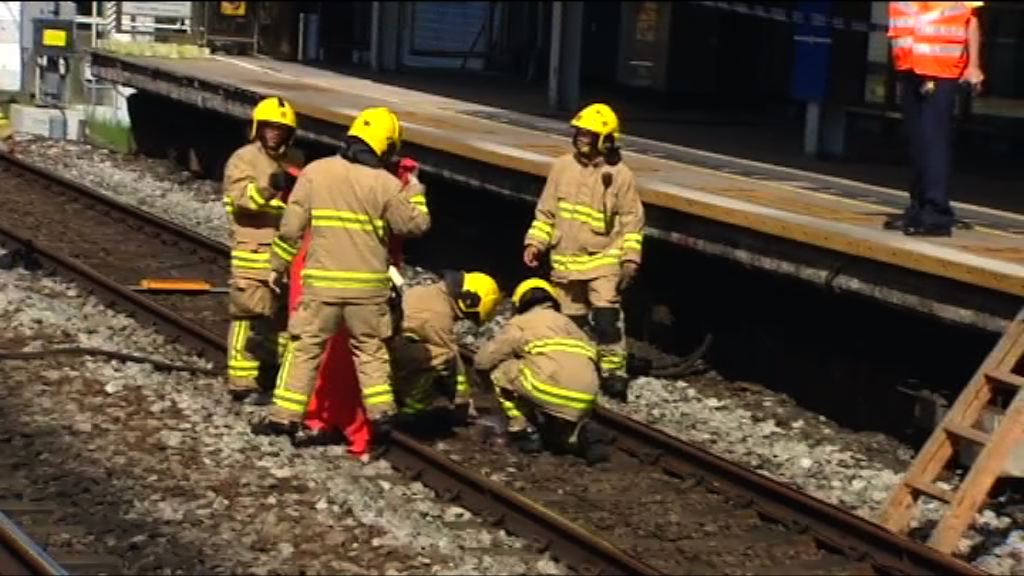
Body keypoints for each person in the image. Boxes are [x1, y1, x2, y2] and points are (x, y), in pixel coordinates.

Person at [252, 106, 430, 454]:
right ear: (385, 146)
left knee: (305, 349)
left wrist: (276, 266)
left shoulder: (316, 172)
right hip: (367, 291)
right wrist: (417, 194)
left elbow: (291, 230)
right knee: (370, 351)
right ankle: (381, 419)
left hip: (322, 287)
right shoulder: (387, 184)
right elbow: (414, 226)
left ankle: (284, 417)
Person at [522, 103, 645, 401]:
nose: (581, 139)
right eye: (579, 133)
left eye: (588, 134)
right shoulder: (562, 167)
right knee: (570, 321)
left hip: (604, 261)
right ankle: (575, 368)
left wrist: (630, 259)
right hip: (566, 262)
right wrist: (535, 243)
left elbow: (632, 221)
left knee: (606, 319)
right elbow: (546, 213)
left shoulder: (621, 175)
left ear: (605, 139)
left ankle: (614, 373)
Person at [473, 278, 614, 464]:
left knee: (501, 371)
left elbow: (484, 360)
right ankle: (581, 436)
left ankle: (525, 431)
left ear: (520, 302)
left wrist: (480, 377)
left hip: (549, 388)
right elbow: (594, 356)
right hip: (587, 394)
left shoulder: (520, 322)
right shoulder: (570, 325)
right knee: (562, 414)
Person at [222, 96, 304, 403]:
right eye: (269, 127)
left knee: (281, 319)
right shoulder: (243, 159)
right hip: (253, 250)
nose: (274, 133)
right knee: (249, 314)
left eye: (281, 129)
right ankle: (241, 379)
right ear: (258, 127)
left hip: (286, 252)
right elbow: (242, 202)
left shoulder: (295, 158)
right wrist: (271, 187)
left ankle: (271, 372)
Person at [885, 1, 985, 237]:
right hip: (909, 68)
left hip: (941, 70)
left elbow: (971, 20)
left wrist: (974, 66)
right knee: (916, 140)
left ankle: (937, 214)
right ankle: (918, 208)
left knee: (934, 140)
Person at [390, 270, 502, 427]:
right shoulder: (439, 316)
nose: (462, 319)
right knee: (439, 360)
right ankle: (410, 412)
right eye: (470, 316)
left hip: (394, 344)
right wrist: (461, 402)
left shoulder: (431, 293)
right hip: (397, 352)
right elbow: (449, 358)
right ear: (469, 301)